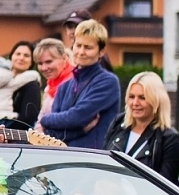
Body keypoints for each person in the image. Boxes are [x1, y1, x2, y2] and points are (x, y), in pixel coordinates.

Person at [37, 20, 120, 151]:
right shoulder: (64, 87)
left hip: (94, 161)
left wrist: (46, 119)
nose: (81, 52)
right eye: (78, 45)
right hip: (63, 160)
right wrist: (81, 130)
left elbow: (77, 117)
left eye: (88, 47)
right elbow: (51, 134)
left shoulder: (108, 82)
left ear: (101, 51)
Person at [104, 71, 179, 181]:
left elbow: (166, 187)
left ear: (156, 100)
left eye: (142, 97)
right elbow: (102, 165)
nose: (135, 103)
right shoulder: (118, 123)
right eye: (132, 97)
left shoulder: (168, 139)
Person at [34, 38, 72, 118]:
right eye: (40, 63)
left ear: (64, 59)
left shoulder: (76, 83)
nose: (44, 68)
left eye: (49, 62)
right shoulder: (49, 87)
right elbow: (41, 118)